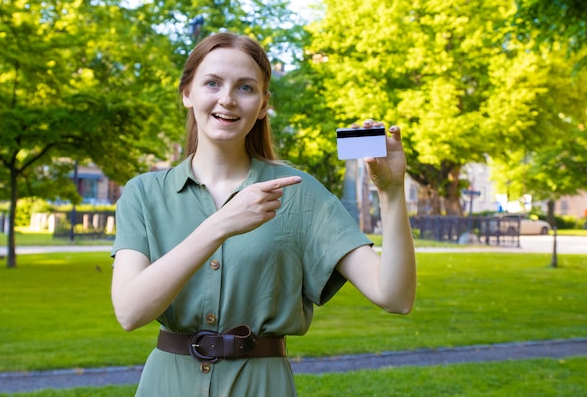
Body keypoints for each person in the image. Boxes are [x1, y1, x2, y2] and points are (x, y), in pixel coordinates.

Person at [110, 32, 416, 397]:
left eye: (245, 88)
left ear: (263, 104)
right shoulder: (143, 193)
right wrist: (221, 224)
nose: (227, 99)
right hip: (166, 385)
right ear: (187, 93)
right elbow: (130, 312)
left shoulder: (299, 192)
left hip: (262, 387)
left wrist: (393, 193)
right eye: (212, 83)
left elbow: (395, 296)